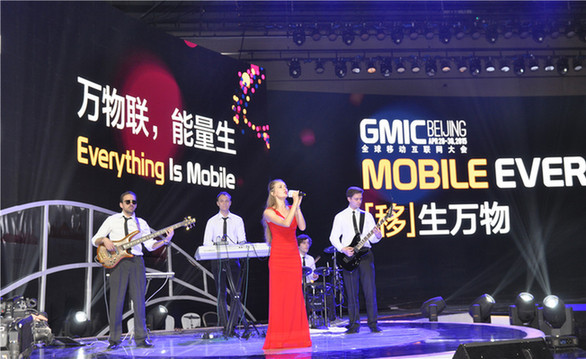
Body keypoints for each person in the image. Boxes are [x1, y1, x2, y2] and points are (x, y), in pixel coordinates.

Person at [92, 191, 174, 349]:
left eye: (134, 202)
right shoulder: (112, 220)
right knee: (116, 301)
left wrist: (165, 240)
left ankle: (141, 339)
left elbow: (149, 245)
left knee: (139, 301)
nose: (131, 204)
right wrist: (105, 240)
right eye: (128, 201)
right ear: (121, 204)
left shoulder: (141, 223)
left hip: (137, 261)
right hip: (118, 262)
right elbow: (94, 239)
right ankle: (114, 340)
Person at [262, 179, 311, 350]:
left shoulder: (291, 208)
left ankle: (297, 336)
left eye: (285, 186)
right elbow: (285, 223)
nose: (285, 189)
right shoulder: (269, 212)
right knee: (280, 299)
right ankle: (279, 338)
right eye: (280, 187)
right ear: (273, 193)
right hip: (279, 258)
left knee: (295, 297)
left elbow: (302, 227)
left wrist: (297, 206)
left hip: (292, 257)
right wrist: (294, 203)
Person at [329, 186, 382, 334]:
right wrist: (342, 248)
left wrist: (377, 236)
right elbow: (333, 237)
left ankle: (373, 323)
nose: (359, 201)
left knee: (369, 290)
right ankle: (354, 324)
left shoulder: (367, 216)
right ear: (349, 199)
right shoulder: (340, 217)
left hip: (365, 254)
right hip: (349, 256)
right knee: (352, 291)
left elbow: (372, 238)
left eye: (361, 199)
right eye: (356, 199)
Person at [202, 191, 247, 335]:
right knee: (221, 293)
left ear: (230, 202)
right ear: (217, 203)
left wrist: (241, 246)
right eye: (222, 201)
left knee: (235, 293)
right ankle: (224, 326)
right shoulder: (212, 221)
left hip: (234, 259)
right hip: (218, 260)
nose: (224, 203)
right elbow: (206, 242)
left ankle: (232, 327)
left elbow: (242, 240)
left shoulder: (238, 220)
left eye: (227, 201)